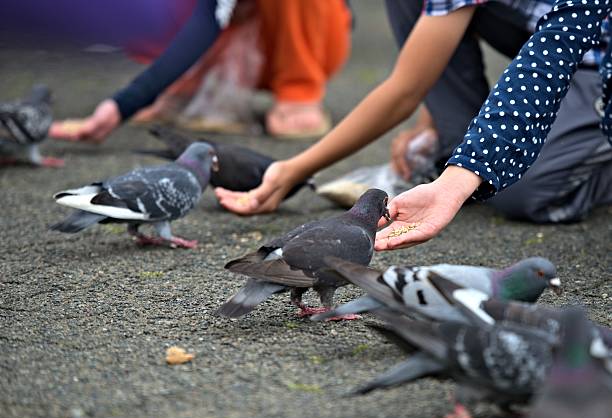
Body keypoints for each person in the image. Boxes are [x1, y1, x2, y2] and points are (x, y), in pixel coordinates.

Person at [215, 0, 612, 227]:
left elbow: (402, 91)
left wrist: (295, 169)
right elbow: (432, 45)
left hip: (592, 62)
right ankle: (468, 139)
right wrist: (435, 117)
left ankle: (590, 153)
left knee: (523, 194)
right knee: (478, 174)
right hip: (543, 35)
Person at [50, 0, 352, 141]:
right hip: (220, 35)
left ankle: (299, 91)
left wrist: (124, 104)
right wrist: (123, 104)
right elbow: (210, 13)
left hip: (306, 38)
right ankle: (181, 86)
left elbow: (210, 18)